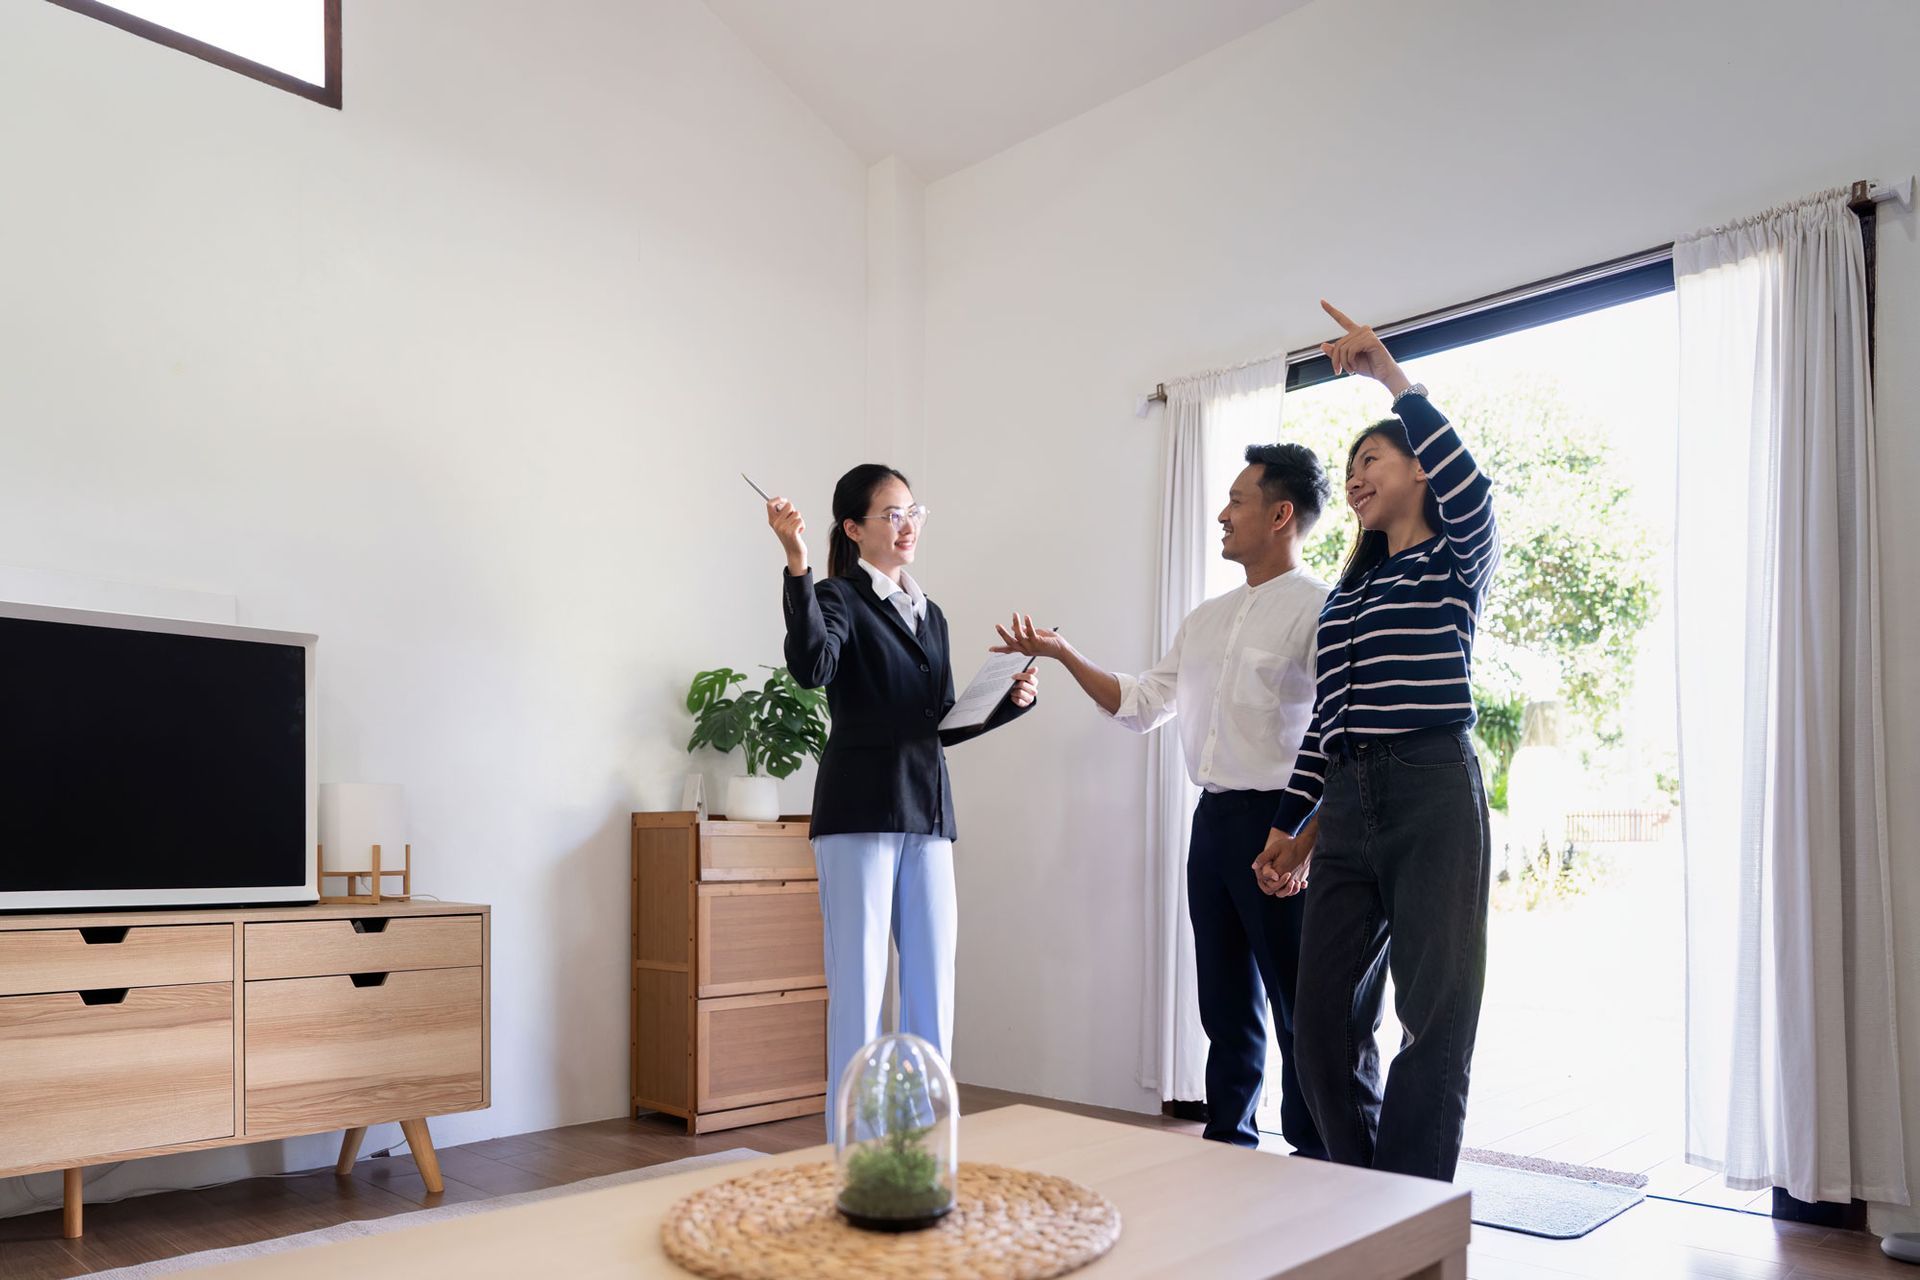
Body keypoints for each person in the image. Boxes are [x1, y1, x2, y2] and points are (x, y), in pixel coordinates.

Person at [992, 444, 1332, 1155]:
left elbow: (1336, 736)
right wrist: (1061, 651)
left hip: (1282, 824)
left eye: (1237, 502)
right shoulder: (1205, 618)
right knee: (1224, 1003)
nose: (1221, 514)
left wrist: (1306, 839)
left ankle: (1315, 1155)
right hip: (1211, 824)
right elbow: (1143, 703)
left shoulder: (1320, 611)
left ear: (1280, 514)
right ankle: (1228, 1143)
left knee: (1300, 1005)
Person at [1254, 300, 1498, 1182]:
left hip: (1434, 788)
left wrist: (1392, 378)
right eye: (1350, 466)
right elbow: (1328, 722)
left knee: (1434, 1019)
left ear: (1420, 472)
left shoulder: (1457, 557)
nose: (1353, 478)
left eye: (1371, 460)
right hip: (1349, 806)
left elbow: (1473, 486)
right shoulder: (1349, 596)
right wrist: (1292, 827)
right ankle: (1362, 1194)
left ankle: (1410, 1214)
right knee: (1320, 1021)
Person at [768, 464, 1038, 1134]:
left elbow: (937, 724)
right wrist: (797, 562)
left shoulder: (931, 613)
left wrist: (1009, 702)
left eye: (913, 511)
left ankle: (925, 1143)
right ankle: (852, 1149)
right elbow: (812, 667)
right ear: (854, 529)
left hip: (928, 814)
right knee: (859, 990)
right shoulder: (836, 597)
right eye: (891, 514)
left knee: (930, 987)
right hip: (859, 813)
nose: (907, 523)